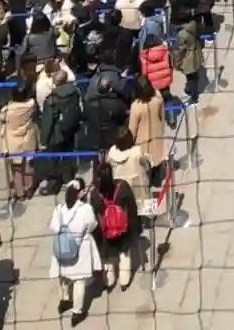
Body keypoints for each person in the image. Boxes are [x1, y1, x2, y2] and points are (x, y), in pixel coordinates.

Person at [50, 179, 102, 326]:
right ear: (80, 193)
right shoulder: (85, 209)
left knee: (64, 277)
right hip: (80, 250)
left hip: (62, 248)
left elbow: (53, 227)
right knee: (79, 280)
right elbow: (92, 225)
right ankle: (77, 312)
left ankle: (64, 300)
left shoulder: (59, 209)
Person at [88, 160, 140, 293]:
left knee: (108, 259)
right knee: (124, 254)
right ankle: (124, 281)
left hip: (106, 231)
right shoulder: (123, 186)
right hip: (124, 228)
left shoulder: (95, 194)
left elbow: (93, 215)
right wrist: (135, 226)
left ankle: (109, 281)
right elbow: (132, 207)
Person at [128, 75, 167, 186]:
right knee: (157, 164)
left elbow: (132, 129)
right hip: (157, 137)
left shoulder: (136, 106)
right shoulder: (158, 99)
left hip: (142, 142)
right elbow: (162, 118)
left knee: (144, 171)